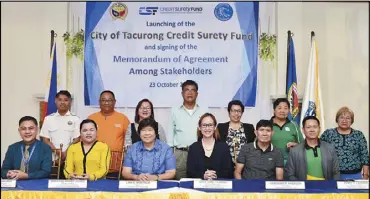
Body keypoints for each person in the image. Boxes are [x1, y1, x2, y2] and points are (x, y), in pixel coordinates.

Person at [167, 80, 208, 180]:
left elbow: (208, 132)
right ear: (182, 93)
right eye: (186, 90)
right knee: (180, 183)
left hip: (199, 152)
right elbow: (170, 135)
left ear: (197, 94)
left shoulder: (204, 110)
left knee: (198, 182)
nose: (189, 93)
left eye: (193, 90)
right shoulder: (174, 111)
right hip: (180, 154)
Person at [88, 90, 130, 177]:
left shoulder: (123, 119)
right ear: (99, 102)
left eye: (109, 100)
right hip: (94, 166)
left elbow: (129, 141)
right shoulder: (91, 118)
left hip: (116, 166)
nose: (106, 103)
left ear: (114, 102)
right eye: (103, 100)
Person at [39, 90, 80, 179]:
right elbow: (45, 139)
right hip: (52, 160)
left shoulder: (75, 119)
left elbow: (77, 139)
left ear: (70, 102)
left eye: (66, 100)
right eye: (60, 99)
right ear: (55, 101)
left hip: (69, 161)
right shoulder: (48, 119)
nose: (62, 102)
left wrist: (65, 154)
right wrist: (58, 152)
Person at [285, 116, 340, 180]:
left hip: (327, 188)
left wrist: (331, 187)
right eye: (308, 127)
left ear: (319, 129)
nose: (312, 130)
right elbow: (290, 174)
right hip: (304, 188)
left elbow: (336, 172)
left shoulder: (330, 148)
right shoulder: (295, 151)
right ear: (303, 130)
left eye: (315, 127)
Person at [320, 106, 369, 180]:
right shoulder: (328, 133)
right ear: (337, 119)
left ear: (351, 121)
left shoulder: (358, 135)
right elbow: (318, 150)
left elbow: (364, 156)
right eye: (341, 117)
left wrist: (365, 175)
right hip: (333, 175)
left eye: (348, 118)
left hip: (355, 175)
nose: (344, 120)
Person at [187, 113, 233, 179]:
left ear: (215, 127)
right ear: (199, 127)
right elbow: (190, 172)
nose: (207, 128)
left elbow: (229, 171)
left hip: (220, 186)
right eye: (204, 125)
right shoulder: (193, 148)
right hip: (198, 187)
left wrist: (216, 175)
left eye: (210, 125)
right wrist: (203, 176)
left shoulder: (223, 147)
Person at [270, 98, 304, 164]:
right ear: (274, 110)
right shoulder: (267, 125)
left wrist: (295, 145)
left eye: (285, 108)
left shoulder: (293, 125)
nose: (282, 111)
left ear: (289, 111)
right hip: (270, 162)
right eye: (279, 108)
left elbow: (303, 144)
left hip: (290, 162)